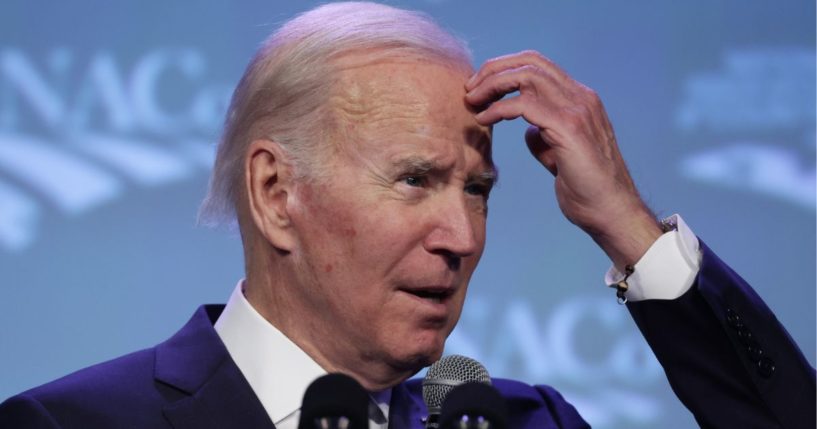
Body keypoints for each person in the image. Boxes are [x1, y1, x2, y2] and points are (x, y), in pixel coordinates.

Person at [1, 2, 813, 428]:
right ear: (276, 193)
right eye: (415, 179)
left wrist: (629, 229)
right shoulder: (74, 423)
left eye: (477, 190)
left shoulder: (528, 424)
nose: (460, 238)